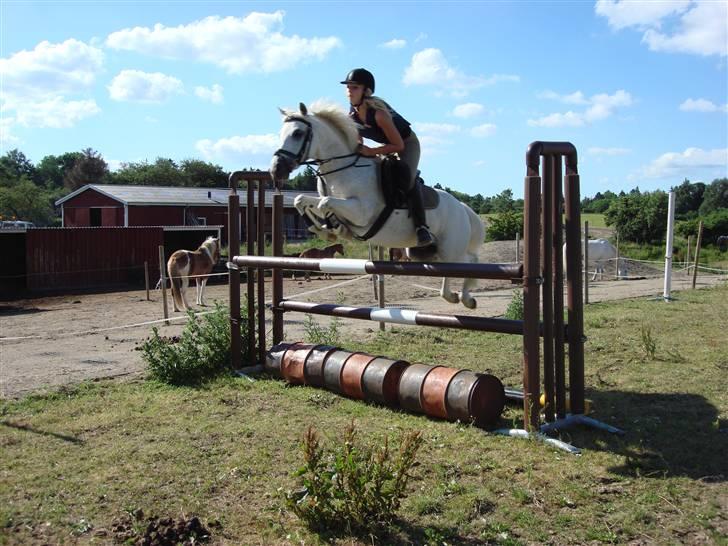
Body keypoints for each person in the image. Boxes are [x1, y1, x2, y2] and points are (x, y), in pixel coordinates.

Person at [341, 68, 435, 248]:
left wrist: (371, 151)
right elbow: (358, 143)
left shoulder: (379, 114)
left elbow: (399, 145)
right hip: (387, 146)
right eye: (348, 88)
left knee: (406, 178)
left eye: (354, 88)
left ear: (366, 91)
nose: (348, 92)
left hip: (407, 143)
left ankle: (421, 228)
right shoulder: (352, 115)